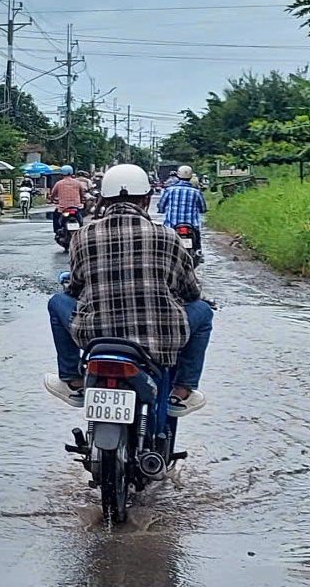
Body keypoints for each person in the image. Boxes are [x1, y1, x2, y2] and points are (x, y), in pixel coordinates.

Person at [44, 163, 213, 416]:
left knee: (56, 302)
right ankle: (182, 389)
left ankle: (72, 379)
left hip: (94, 337)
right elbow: (190, 291)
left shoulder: (83, 235)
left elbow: (75, 288)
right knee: (203, 311)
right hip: (160, 340)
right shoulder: (168, 236)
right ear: (146, 198)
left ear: (104, 199)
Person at [157, 164, 207, 231]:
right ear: (191, 176)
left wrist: (161, 210)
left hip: (171, 226)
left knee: (167, 240)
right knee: (197, 240)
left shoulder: (169, 190)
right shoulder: (196, 192)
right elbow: (203, 208)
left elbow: (161, 205)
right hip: (192, 226)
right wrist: (202, 210)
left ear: (178, 175)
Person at [48, 171, 89, 237]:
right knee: (82, 215)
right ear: (71, 173)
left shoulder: (59, 183)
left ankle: (57, 231)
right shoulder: (77, 183)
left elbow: (53, 195)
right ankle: (82, 229)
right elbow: (82, 194)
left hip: (63, 208)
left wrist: (52, 199)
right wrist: (82, 200)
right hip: (76, 207)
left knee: (55, 215)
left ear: (62, 174)